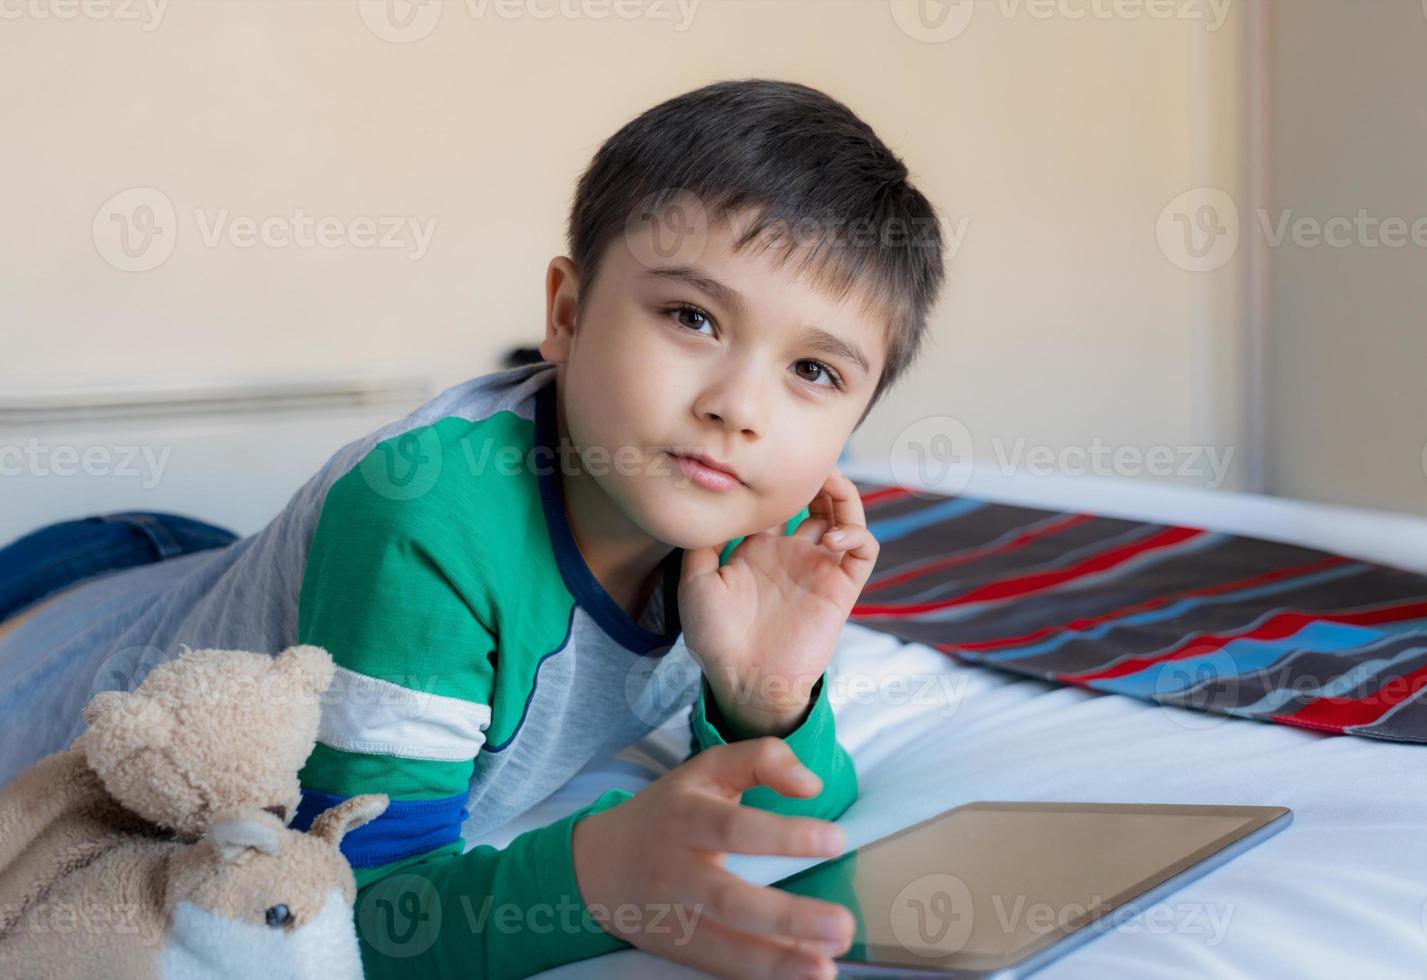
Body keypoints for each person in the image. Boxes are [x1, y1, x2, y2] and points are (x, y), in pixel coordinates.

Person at [0, 77, 946, 979]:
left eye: (814, 373)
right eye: (692, 317)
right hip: (61, 617)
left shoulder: (742, 510)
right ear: (568, 313)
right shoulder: (428, 525)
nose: (739, 407)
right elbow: (354, 913)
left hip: (216, 567)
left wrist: (767, 697)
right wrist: (592, 877)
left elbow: (795, 812)